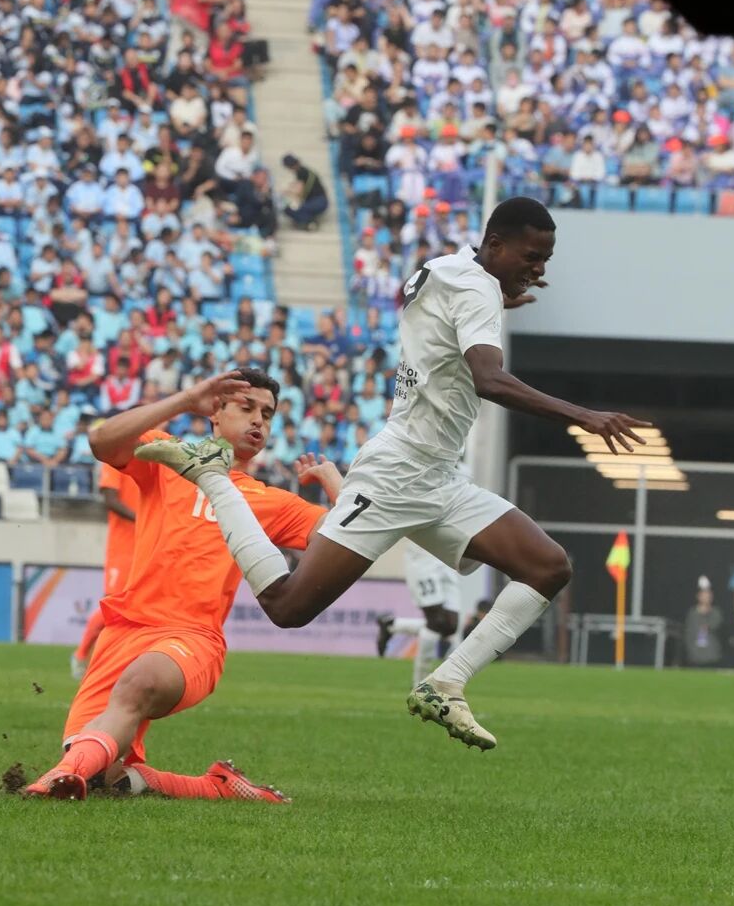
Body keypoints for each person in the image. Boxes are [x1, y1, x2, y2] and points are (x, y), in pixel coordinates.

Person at [137, 197, 650, 751]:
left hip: (440, 477)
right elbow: (489, 380)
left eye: (546, 260)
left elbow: (423, 298)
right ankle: (214, 477)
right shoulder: (475, 288)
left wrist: (500, 294)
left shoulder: (446, 269)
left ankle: (445, 684)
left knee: (548, 566)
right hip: (395, 473)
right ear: (496, 246)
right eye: (531, 257)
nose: (540, 269)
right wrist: (585, 416)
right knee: (287, 607)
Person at [25, 369, 342, 802]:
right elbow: (101, 441)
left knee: (138, 685)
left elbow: (347, 537)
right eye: (246, 407)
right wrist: (185, 399)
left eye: (267, 414)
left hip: (192, 638)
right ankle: (216, 787)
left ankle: (58, 777)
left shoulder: (271, 501)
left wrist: (334, 482)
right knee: (106, 776)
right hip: (125, 632)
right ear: (215, 412)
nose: (258, 420)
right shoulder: (169, 458)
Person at [71, 456, 140, 681]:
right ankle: (81, 654)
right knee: (113, 604)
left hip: (148, 545)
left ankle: (117, 661)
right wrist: (143, 519)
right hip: (124, 547)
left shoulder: (151, 461)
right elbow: (110, 500)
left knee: (137, 605)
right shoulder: (114, 460)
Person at [376, 540, 462, 687]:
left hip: (446, 555)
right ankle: (420, 684)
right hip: (423, 555)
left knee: (450, 626)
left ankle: (391, 625)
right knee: (436, 621)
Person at [683, 574, 723, 667]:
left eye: (709, 594)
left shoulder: (716, 612)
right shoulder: (692, 613)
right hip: (695, 657)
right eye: (704, 594)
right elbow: (688, 634)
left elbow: (715, 625)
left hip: (712, 657)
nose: (707, 596)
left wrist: (706, 612)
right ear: (698, 596)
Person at [280, 153, 329, 230]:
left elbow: (299, 191)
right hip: (319, 201)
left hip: (318, 201)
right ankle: (307, 221)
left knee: (289, 209)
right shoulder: (305, 171)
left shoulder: (301, 172)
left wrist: (286, 192)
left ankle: (309, 222)